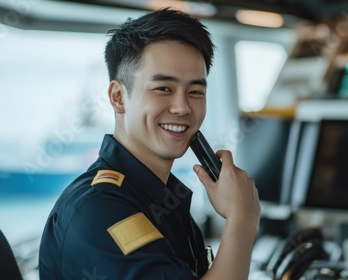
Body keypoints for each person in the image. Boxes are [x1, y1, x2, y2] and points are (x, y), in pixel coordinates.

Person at [38, 8, 260, 280]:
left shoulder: (161, 199)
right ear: (118, 97)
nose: (182, 108)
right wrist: (243, 217)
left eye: (195, 92)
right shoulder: (100, 209)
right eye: (163, 89)